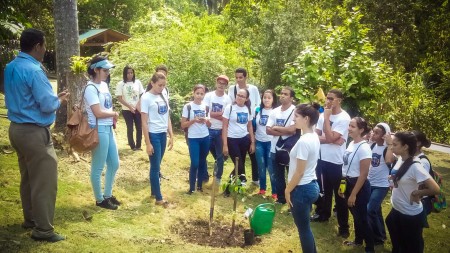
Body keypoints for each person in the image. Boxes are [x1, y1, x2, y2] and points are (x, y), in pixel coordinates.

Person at [5, 28, 69, 242]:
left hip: (16, 129)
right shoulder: (34, 69)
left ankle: (31, 219)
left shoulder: (11, 66)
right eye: (44, 45)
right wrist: (59, 100)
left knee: (28, 177)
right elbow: (46, 104)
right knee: (44, 181)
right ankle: (43, 230)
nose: (45, 49)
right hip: (33, 131)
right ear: (37, 46)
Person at [385, 132, 440, 253]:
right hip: (397, 208)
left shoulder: (416, 166)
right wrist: (393, 179)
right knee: (398, 242)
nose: (391, 146)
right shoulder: (401, 159)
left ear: (405, 147)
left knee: (411, 247)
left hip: (409, 214)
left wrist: (417, 193)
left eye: (395, 144)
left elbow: (435, 189)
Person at [312, 89, 351, 239]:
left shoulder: (344, 118)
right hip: (322, 158)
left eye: (331, 98)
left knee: (340, 195)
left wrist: (328, 127)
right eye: (327, 98)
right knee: (325, 191)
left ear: (339, 100)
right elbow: (318, 135)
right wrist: (330, 139)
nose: (327, 101)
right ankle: (324, 214)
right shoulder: (322, 115)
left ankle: (343, 227)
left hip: (337, 161)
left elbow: (330, 136)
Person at [84, 56, 121, 210]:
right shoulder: (90, 88)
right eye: (104, 70)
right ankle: (100, 200)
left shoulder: (104, 85)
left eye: (108, 70)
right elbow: (98, 112)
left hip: (107, 128)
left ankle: (107, 195)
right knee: (98, 167)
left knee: (114, 163)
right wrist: (113, 114)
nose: (107, 73)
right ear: (95, 70)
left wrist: (112, 116)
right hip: (98, 129)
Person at [285, 103, 321, 253]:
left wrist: (287, 190)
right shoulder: (313, 136)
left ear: (306, 119)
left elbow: (299, 172)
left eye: (296, 117)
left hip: (302, 189)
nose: (294, 120)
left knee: (303, 229)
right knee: (306, 227)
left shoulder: (304, 141)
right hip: (311, 186)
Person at [340, 117, 374, 253]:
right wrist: (343, 186)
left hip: (358, 186)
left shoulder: (364, 148)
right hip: (348, 182)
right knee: (357, 217)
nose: (349, 128)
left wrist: (353, 194)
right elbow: (347, 166)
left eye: (353, 126)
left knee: (362, 219)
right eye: (349, 125)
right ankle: (358, 241)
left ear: (361, 130)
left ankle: (370, 248)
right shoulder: (351, 143)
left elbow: (363, 174)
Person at [140, 72, 173, 207]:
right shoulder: (146, 97)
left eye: (164, 85)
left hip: (162, 133)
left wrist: (171, 134)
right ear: (152, 83)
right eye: (159, 85)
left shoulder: (164, 93)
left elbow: (167, 116)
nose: (162, 87)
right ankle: (159, 199)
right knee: (155, 167)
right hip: (153, 134)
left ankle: (154, 191)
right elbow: (144, 122)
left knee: (157, 164)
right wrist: (148, 143)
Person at [228, 68, 261, 185]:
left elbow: (258, 105)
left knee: (252, 153)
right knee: (239, 158)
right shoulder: (232, 89)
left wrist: (253, 117)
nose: (238, 80)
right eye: (236, 77)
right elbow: (230, 104)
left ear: (246, 77)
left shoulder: (253, 89)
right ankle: (242, 179)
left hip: (250, 122)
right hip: (235, 126)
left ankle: (255, 178)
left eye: (240, 77)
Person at [266, 87, 296, 204]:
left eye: (286, 94)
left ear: (291, 98)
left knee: (291, 175)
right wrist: (285, 130)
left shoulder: (295, 111)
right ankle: (281, 199)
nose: (282, 95)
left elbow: (293, 130)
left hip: (289, 150)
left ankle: (292, 200)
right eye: (281, 93)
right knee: (278, 175)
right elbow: (268, 130)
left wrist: (277, 128)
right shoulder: (275, 111)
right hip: (275, 148)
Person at [222, 89, 255, 196]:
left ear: (246, 99)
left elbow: (249, 126)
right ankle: (227, 188)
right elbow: (225, 126)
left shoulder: (247, 109)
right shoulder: (230, 108)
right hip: (232, 140)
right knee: (239, 165)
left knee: (241, 164)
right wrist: (225, 145)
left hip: (244, 140)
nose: (239, 97)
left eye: (242, 96)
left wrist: (252, 142)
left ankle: (238, 187)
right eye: (238, 95)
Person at [367, 123, 394, 245]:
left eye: (376, 133)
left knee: (370, 209)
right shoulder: (372, 145)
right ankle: (381, 235)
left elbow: (389, 160)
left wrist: (389, 144)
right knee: (376, 211)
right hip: (370, 183)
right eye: (373, 131)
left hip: (382, 185)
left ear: (384, 136)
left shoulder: (387, 149)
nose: (373, 134)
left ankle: (377, 238)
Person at [181, 84, 211, 194]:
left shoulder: (206, 107)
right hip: (193, 138)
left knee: (203, 161)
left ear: (204, 95)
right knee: (195, 162)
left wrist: (206, 121)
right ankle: (191, 187)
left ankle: (199, 186)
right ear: (193, 93)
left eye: (201, 94)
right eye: (197, 93)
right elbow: (183, 125)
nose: (199, 96)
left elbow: (209, 124)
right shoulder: (188, 107)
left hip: (205, 137)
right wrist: (193, 120)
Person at [203, 75, 232, 184]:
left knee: (220, 156)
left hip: (221, 131)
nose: (221, 85)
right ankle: (204, 176)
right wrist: (221, 114)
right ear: (216, 83)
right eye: (219, 82)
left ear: (226, 86)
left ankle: (217, 179)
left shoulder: (228, 99)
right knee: (204, 153)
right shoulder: (208, 96)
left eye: (223, 83)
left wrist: (213, 114)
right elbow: (206, 112)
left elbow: (227, 117)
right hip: (208, 129)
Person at [115, 66, 145, 151]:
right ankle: (132, 146)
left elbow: (142, 95)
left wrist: (138, 105)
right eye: (128, 73)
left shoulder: (138, 82)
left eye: (131, 72)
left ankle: (138, 146)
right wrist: (129, 106)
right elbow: (119, 98)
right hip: (126, 110)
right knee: (130, 127)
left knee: (139, 127)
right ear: (125, 74)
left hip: (137, 109)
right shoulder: (121, 84)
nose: (130, 74)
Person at [254, 90, 277, 198]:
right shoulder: (258, 110)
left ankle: (275, 192)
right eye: (264, 97)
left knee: (271, 168)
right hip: (259, 142)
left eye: (269, 98)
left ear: (273, 99)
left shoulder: (276, 111)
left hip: (271, 143)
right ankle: (262, 189)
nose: (266, 100)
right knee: (261, 166)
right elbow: (253, 125)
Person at [412, 130, 433, 227]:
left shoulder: (422, 161)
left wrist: (416, 198)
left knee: (414, 232)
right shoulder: (412, 157)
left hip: (419, 201)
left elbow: (421, 184)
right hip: (412, 200)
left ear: (418, 143)